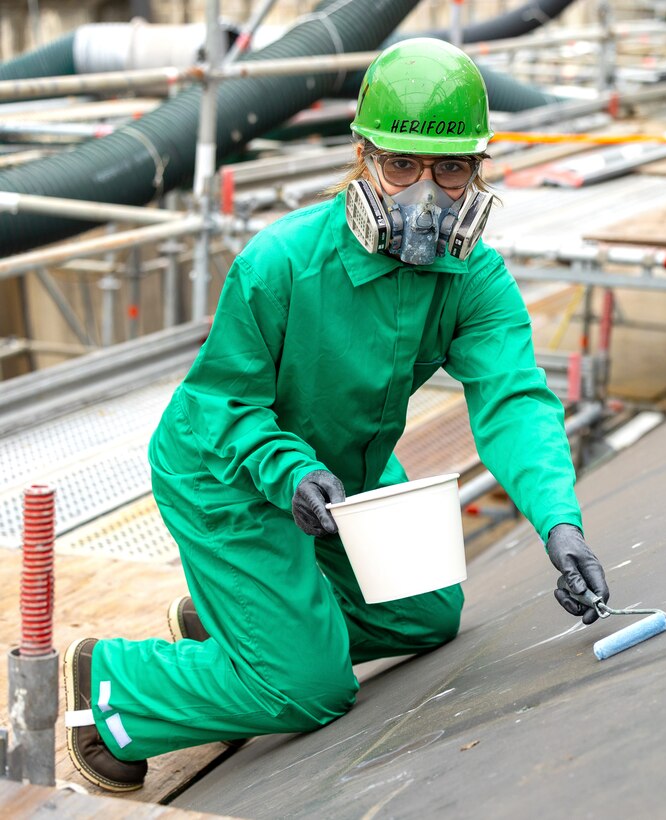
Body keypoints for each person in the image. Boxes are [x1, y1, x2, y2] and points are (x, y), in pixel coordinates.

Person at [63, 37, 610, 792]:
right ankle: (118, 688)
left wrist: (559, 521)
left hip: (346, 469)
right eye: (402, 166)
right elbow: (223, 403)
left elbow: (513, 397)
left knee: (429, 615)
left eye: (451, 170)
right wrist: (287, 470)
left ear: (477, 171)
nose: (426, 195)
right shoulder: (281, 263)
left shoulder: (471, 277)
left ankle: (249, 630)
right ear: (363, 157)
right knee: (309, 690)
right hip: (228, 472)